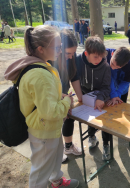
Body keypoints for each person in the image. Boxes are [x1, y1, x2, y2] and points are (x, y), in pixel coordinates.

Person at [4, 25, 79, 188]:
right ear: (41, 49)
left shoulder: (38, 66)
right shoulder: (40, 74)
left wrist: (60, 97)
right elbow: (50, 112)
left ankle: (57, 181)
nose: (60, 50)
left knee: (55, 157)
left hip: (48, 128)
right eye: (58, 47)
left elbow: (41, 97)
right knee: (40, 172)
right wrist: (67, 101)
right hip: (43, 129)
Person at [75, 36, 111, 161]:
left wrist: (101, 98)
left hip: (101, 97)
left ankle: (106, 145)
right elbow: (75, 78)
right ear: (86, 54)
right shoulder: (78, 61)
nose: (99, 59)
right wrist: (80, 95)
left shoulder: (105, 66)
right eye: (95, 57)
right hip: (86, 96)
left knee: (105, 122)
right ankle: (91, 137)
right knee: (90, 119)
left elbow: (106, 87)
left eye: (101, 56)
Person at [51, 29, 83, 163]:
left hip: (65, 94)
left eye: (73, 53)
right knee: (55, 123)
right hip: (53, 96)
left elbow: (74, 77)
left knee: (69, 117)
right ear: (59, 48)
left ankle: (68, 146)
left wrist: (81, 98)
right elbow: (47, 88)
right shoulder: (50, 59)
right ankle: (55, 153)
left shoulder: (72, 57)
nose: (71, 56)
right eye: (68, 53)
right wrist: (62, 97)